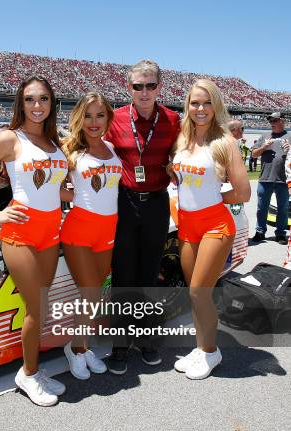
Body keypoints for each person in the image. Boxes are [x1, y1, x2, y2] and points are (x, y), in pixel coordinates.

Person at [0, 76, 68, 406]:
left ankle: (33, 369)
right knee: (36, 309)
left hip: (51, 232)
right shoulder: (9, 138)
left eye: (44, 99)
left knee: (41, 306)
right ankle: (29, 374)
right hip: (19, 232)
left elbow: (54, 189)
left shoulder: (55, 141)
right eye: (30, 99)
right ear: (21, 104)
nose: (37, 106)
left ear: (52, 104)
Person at [104, 59, 181, 374]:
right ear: (129, 88)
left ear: (159, 87)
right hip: (123, 202)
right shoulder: (115, 118)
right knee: (123, 275)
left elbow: (184, 153)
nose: (145, 91)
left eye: (151, 85)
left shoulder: (174, 120)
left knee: (150, 275)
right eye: (139, 86)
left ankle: (147, 340)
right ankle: (120, 345)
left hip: (157, 204)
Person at [171, 79, 250, 379]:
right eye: (194, 103)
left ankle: (210, 351)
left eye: (206, 103)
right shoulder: (181, 139)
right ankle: (200, 345)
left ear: (215, 105)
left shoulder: (225, 142)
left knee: (199, 292)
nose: (200, 109)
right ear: (187, 105)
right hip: (187, 225)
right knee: (194, 295)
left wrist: (216, 197)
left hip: (215, 224)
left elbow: (243, 192)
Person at [60, 92, 117, 379]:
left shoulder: (113, 148)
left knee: (97, 296)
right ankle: (77, 349)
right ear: (79, 118)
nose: (94, 122)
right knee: (90, 293)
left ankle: (83, 348)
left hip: (109, 231)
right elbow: (45, 187)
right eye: (88, 116)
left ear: (108, 117)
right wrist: (73, 194)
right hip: (79, 229)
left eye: (100, 115)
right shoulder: (69, 149)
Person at [250, 112, 290, 244]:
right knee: (262, 207)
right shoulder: (265, 136)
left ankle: (280, 234)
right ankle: (260, 232)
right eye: (270, 121)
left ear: (282, 121)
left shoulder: (289, 136)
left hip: (283, 179)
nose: (272, 123)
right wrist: (264, 147)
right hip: (265, 178)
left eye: (275, 120)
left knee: (283, 208)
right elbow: (254, 155)